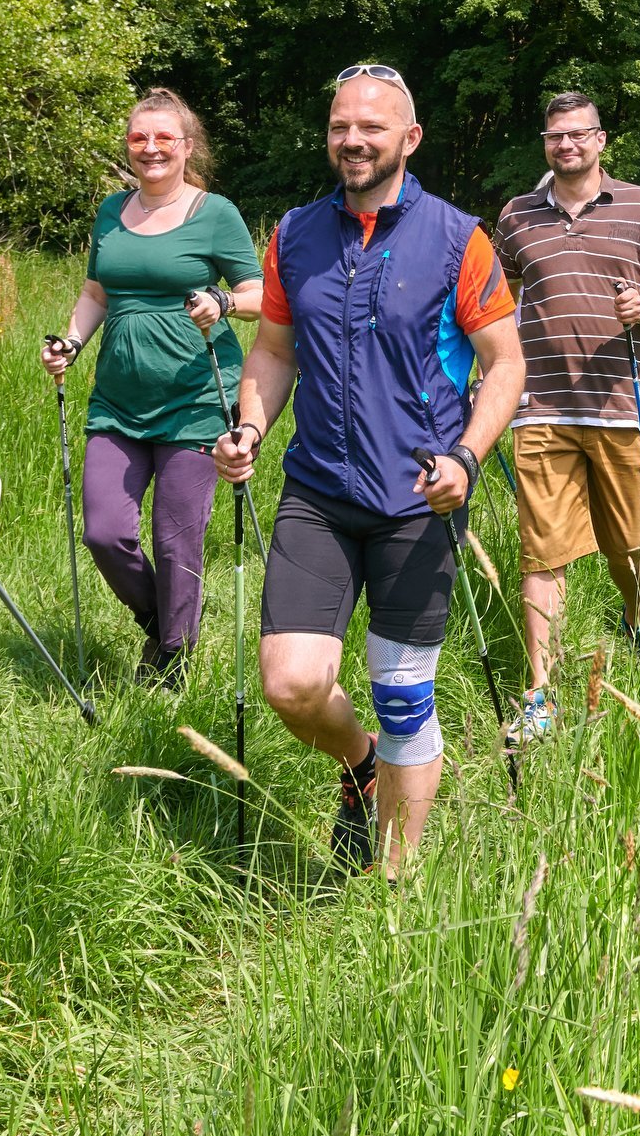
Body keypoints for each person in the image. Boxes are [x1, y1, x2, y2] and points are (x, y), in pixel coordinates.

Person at [211, 64, 522, 876]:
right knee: (289, 683)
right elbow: (274, 351)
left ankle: (394, 885)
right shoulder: (295, 234)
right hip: (318, 489)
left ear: (409, 139)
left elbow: (507, 363)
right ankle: (361, 765)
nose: (352, 139)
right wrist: (248, 426)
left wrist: (466, 455)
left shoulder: (458, 237)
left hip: (419, 495)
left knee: (403, 693)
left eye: (372, 127)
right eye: (340, 124)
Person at [42, 89, 263, 686]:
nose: (151, 147)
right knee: (105, 532)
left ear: (188, 147)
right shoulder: (111, 211)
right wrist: (70, 343)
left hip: (195, 401)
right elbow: (96, 293)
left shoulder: (214, 213)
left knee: (175, 544)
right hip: (117, 401)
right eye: (140, 137)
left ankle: (173, 659)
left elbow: (260, 294)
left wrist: (222, 300)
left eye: (165, 137)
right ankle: (164, 623)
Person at [492, 91, 640, 733]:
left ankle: (636, 615)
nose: (566, 144)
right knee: (541, 552)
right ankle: (539, 695)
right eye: (555, 136)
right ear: (545, 144)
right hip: (538, 406)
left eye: (578, 134)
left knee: (628, 545)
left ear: (601, 140)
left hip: (618, 404)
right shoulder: (517, 216)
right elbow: (502, 301)